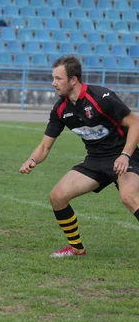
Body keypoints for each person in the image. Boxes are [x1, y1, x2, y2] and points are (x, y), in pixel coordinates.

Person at [19, 55, 139, 258]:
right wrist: (32, 160)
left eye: (58, 78)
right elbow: (45, 145)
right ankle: (76, 248)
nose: (53, 83)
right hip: (95, 159)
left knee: (129, 198)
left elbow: (135, 123)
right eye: (53, 78)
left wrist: (125, 155)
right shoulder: (60, 109)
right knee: (57, 197)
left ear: (73, 79)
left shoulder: (101, 96)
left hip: (124, 155)